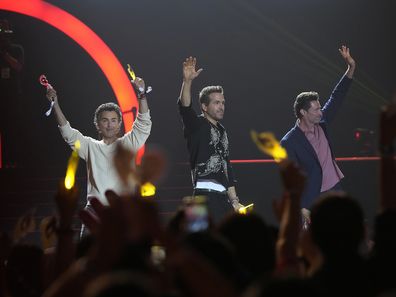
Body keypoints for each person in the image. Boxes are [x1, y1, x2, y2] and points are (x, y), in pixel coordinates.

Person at [45, 78, 152, 208]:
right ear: (98, 125)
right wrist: (55, 104)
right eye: (105, 120)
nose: (109, 125)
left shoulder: (128, 144)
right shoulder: (90, 146)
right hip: (95, 210)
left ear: (119, 124)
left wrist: (141, 94)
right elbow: (68, 133)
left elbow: (144, 123)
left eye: (113, 120)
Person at [280, 45, 356, 211]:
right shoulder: (289, 141)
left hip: (335, 188)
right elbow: (291, 180)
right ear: (303, 112)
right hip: (313, 198)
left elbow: (337, 96)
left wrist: (351, 67)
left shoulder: (322, 121)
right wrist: (301, 206)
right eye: (316, 109)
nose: (320, 112)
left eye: (320, 108)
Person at [177, 56, 243, 223]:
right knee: (197, 242)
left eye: (223, 102)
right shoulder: (196, 125)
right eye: (216, 103)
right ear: (204, 107)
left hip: (223, 200)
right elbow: (185, 107)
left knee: (225, 244)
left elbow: (226, 165)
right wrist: (187, 81)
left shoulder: (222, 131)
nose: (221, 106)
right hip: (201, 198)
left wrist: (235, 201)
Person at [0, 19, 24, 168]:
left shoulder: (16, 48)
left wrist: (4, 54)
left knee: (12, 128)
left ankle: (13, 161)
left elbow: (18, 67)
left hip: (12, 94)